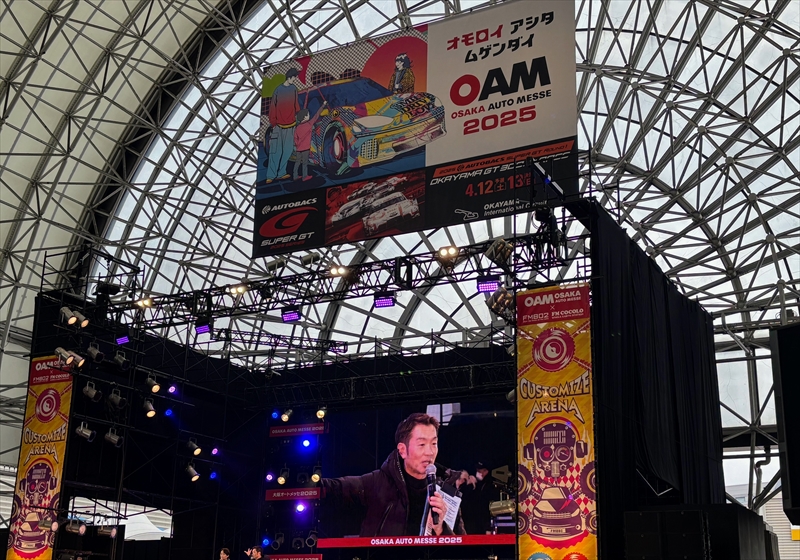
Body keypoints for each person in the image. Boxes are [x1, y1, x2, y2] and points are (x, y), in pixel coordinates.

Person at [322, 412, 464, 536]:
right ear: (402, 450)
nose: (430, 452)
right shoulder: (376, 484)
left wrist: (441, 529)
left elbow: (464, 550)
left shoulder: (447, 493)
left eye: (434, 444)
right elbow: (330, 488)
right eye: (421, 444)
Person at [266, 68, 301, 183]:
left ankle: (281, 173)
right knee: (275, 151)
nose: (295, 79)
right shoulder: (278, 90)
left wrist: (298, 118)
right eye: (294, 77)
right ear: (289, 77)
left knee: (288, 150)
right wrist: (274, 123)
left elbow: (296, 105)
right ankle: (270, 175)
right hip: (279, 126)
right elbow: (273, 108)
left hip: (291, 126)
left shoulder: (294, 89)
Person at [293, 100, 327, 181]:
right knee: (305, 163)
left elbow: (295, 138)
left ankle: (295, 176)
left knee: (297, 162)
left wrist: (297, 145)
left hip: (298, 149)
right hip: (305, 148)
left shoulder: (297, 128)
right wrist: (323, 105)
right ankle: (304, 176)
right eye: (308, 115)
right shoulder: (309, 124)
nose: (309, 116)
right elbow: (316, 115)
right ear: (304, 117)